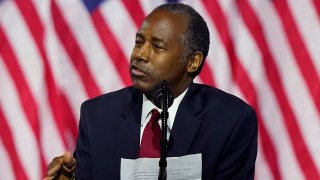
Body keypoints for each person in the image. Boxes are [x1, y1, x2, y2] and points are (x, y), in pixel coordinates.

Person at [44, 3, 257, 180]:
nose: (140, 54)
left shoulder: (230, 121)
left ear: (192, 62)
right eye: (139, 42)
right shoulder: (98, 117)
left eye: (157, 47)